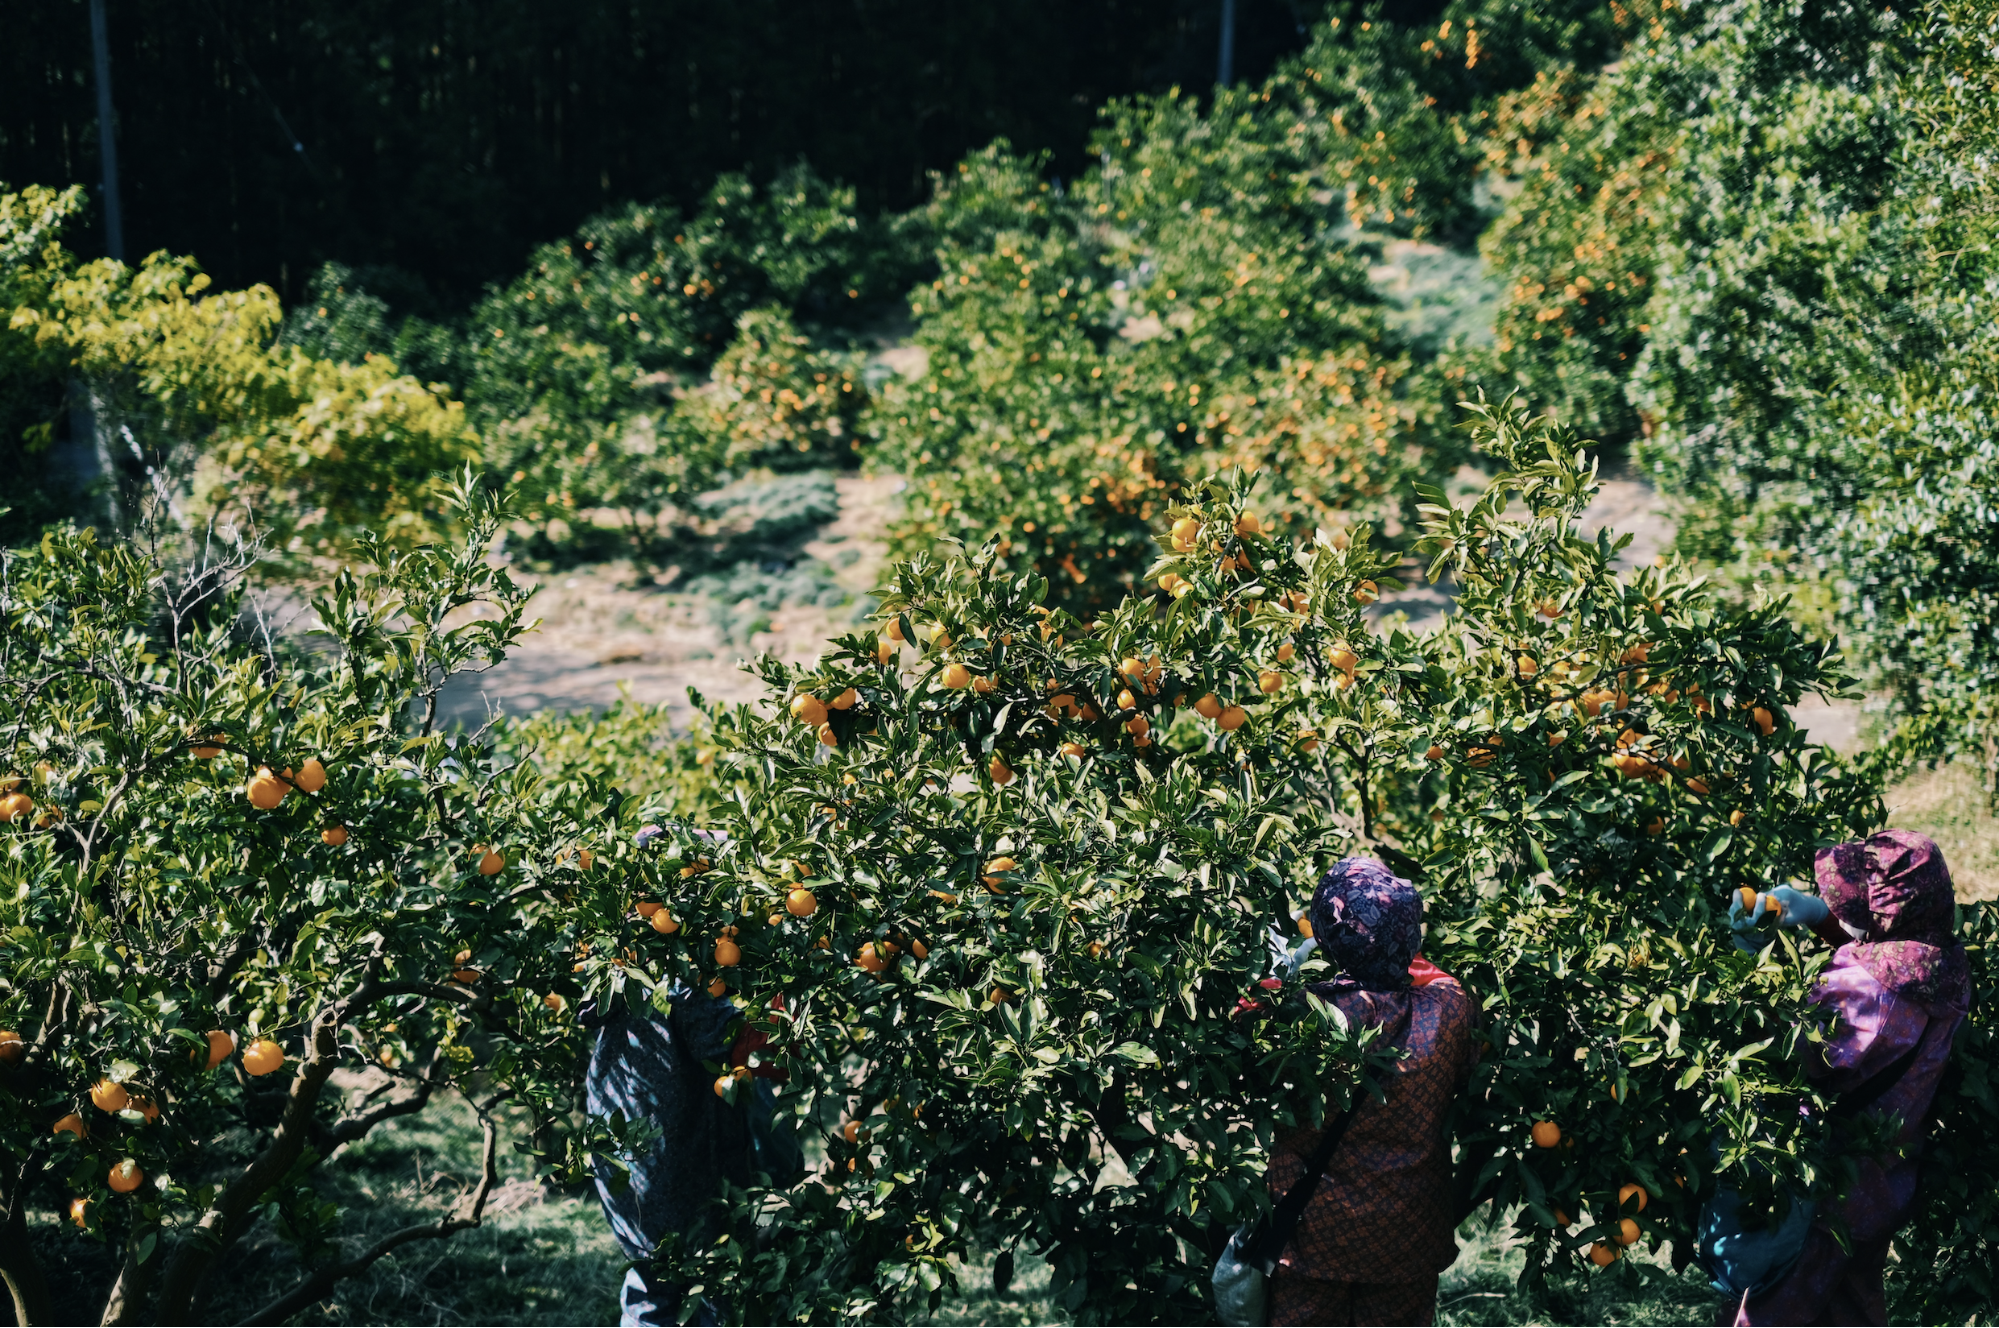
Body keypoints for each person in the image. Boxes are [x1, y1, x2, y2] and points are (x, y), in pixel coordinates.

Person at [1715, 830, 1971, 1327]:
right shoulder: (1945, 964)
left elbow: (1774, 1055)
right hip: (1886, 1181)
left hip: (1826, 1188)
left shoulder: (1859, 994)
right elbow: (1884, 953)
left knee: (1772, 1305)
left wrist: (1743, 961)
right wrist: (1814, 914)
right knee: (1850, 1302)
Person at [584, 825, 803, 1328]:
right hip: (677, 1156)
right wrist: (788, 992)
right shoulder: (689, 962)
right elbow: (743, 1050)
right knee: (706, 1286)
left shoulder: (622, 950)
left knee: (652, 1278)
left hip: (621, 1145)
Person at [1263, 857, 1480, 1328]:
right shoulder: (1450, 1012)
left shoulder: (1292, 1012)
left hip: (1311, 1230)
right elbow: (1438, 979)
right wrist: (1396, 954)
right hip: (1406, 1230)